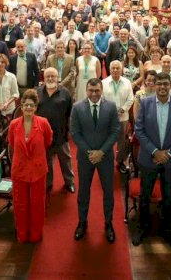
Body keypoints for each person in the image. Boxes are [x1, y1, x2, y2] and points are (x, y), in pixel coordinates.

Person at [132, 72, 171, 247]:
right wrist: (155, 152)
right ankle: (143, 228)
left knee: (169, 196)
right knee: (145, 195)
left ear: (170, 85)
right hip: (149, 158)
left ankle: (166, 230)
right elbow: (139, 130)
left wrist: (168, 154)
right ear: (154, 85)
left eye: (166, 84)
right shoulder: (146, 103)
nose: (162, 87)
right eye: (159, 84)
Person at [71, 78, 120, 243]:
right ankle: (82, 222)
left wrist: (101, 152)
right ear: (86, 90)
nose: (94, 94)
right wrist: (89, 152)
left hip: (105, 158)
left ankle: (108, 223)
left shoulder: (111, 107)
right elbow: (75, 133)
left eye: (97, 91)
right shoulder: (77, 108)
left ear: (101, 90)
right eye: (91, 91)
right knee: (83, 191)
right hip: (85, 158)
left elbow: (115, 131)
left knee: (108, 192)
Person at [8, 89, 53, 243]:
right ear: (21, 106)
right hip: (19, 169)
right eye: (25, 105)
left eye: (31, 105)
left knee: (37, 204)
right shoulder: (14, 124)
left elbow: (48, 141)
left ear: (36, 107)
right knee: (20, 204)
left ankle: (35, 234)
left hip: (38, 170)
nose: (28, 108)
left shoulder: (43, 123)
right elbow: (12, 143)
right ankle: (22, 233)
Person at [37, 68, 74, 193]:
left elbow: (70, 114)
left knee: (65, 160)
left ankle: (69, 182)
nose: (50, 78)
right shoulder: (37, 92)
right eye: (48, 76)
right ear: (44, 78)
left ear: (57, 78)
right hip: (43, 135)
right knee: (47, 161)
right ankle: (48, 183)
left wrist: (69, 131)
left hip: (61, 133)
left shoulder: (65, 93)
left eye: (53, 76)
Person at [102, 61, 134, 173]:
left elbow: (131, 99)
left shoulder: (127, 82)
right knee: (107, 140)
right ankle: (107, 161)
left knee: (121, 141)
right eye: (113, 68)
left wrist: (122, 109)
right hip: (108, 118)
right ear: (110, 70)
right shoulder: (103, 82)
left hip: (123, 117)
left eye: (117, 68)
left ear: (121, 70)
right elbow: (101, 100)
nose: (115, 70)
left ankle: (120, 161)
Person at [0, 53, 19, 118]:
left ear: (6, 63)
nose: (0, 64)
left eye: (2, 62)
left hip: (9, 111)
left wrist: (7, 104)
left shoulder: (12, 77)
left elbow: (16, 94)